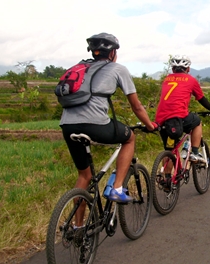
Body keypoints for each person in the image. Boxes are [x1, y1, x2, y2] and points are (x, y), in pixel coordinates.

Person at [59, 32, 157, 208]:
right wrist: (150, 125)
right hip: (95, 124)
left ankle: (77, 228)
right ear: (112, 53)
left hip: (67, 125)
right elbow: (137, 106)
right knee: (130, 137)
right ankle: (117, 188)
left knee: (84, 176)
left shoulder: (80, 67)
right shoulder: (118, 69)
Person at [155, 55, 210, 163]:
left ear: (172, 69)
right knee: (197, 121)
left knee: (170, 150)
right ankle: (194, 152)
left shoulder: (166, 79)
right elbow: (201, 98)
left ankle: (165, 178)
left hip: (162, 120)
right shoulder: (191, 80)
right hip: (179, 118)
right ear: (188, 69)